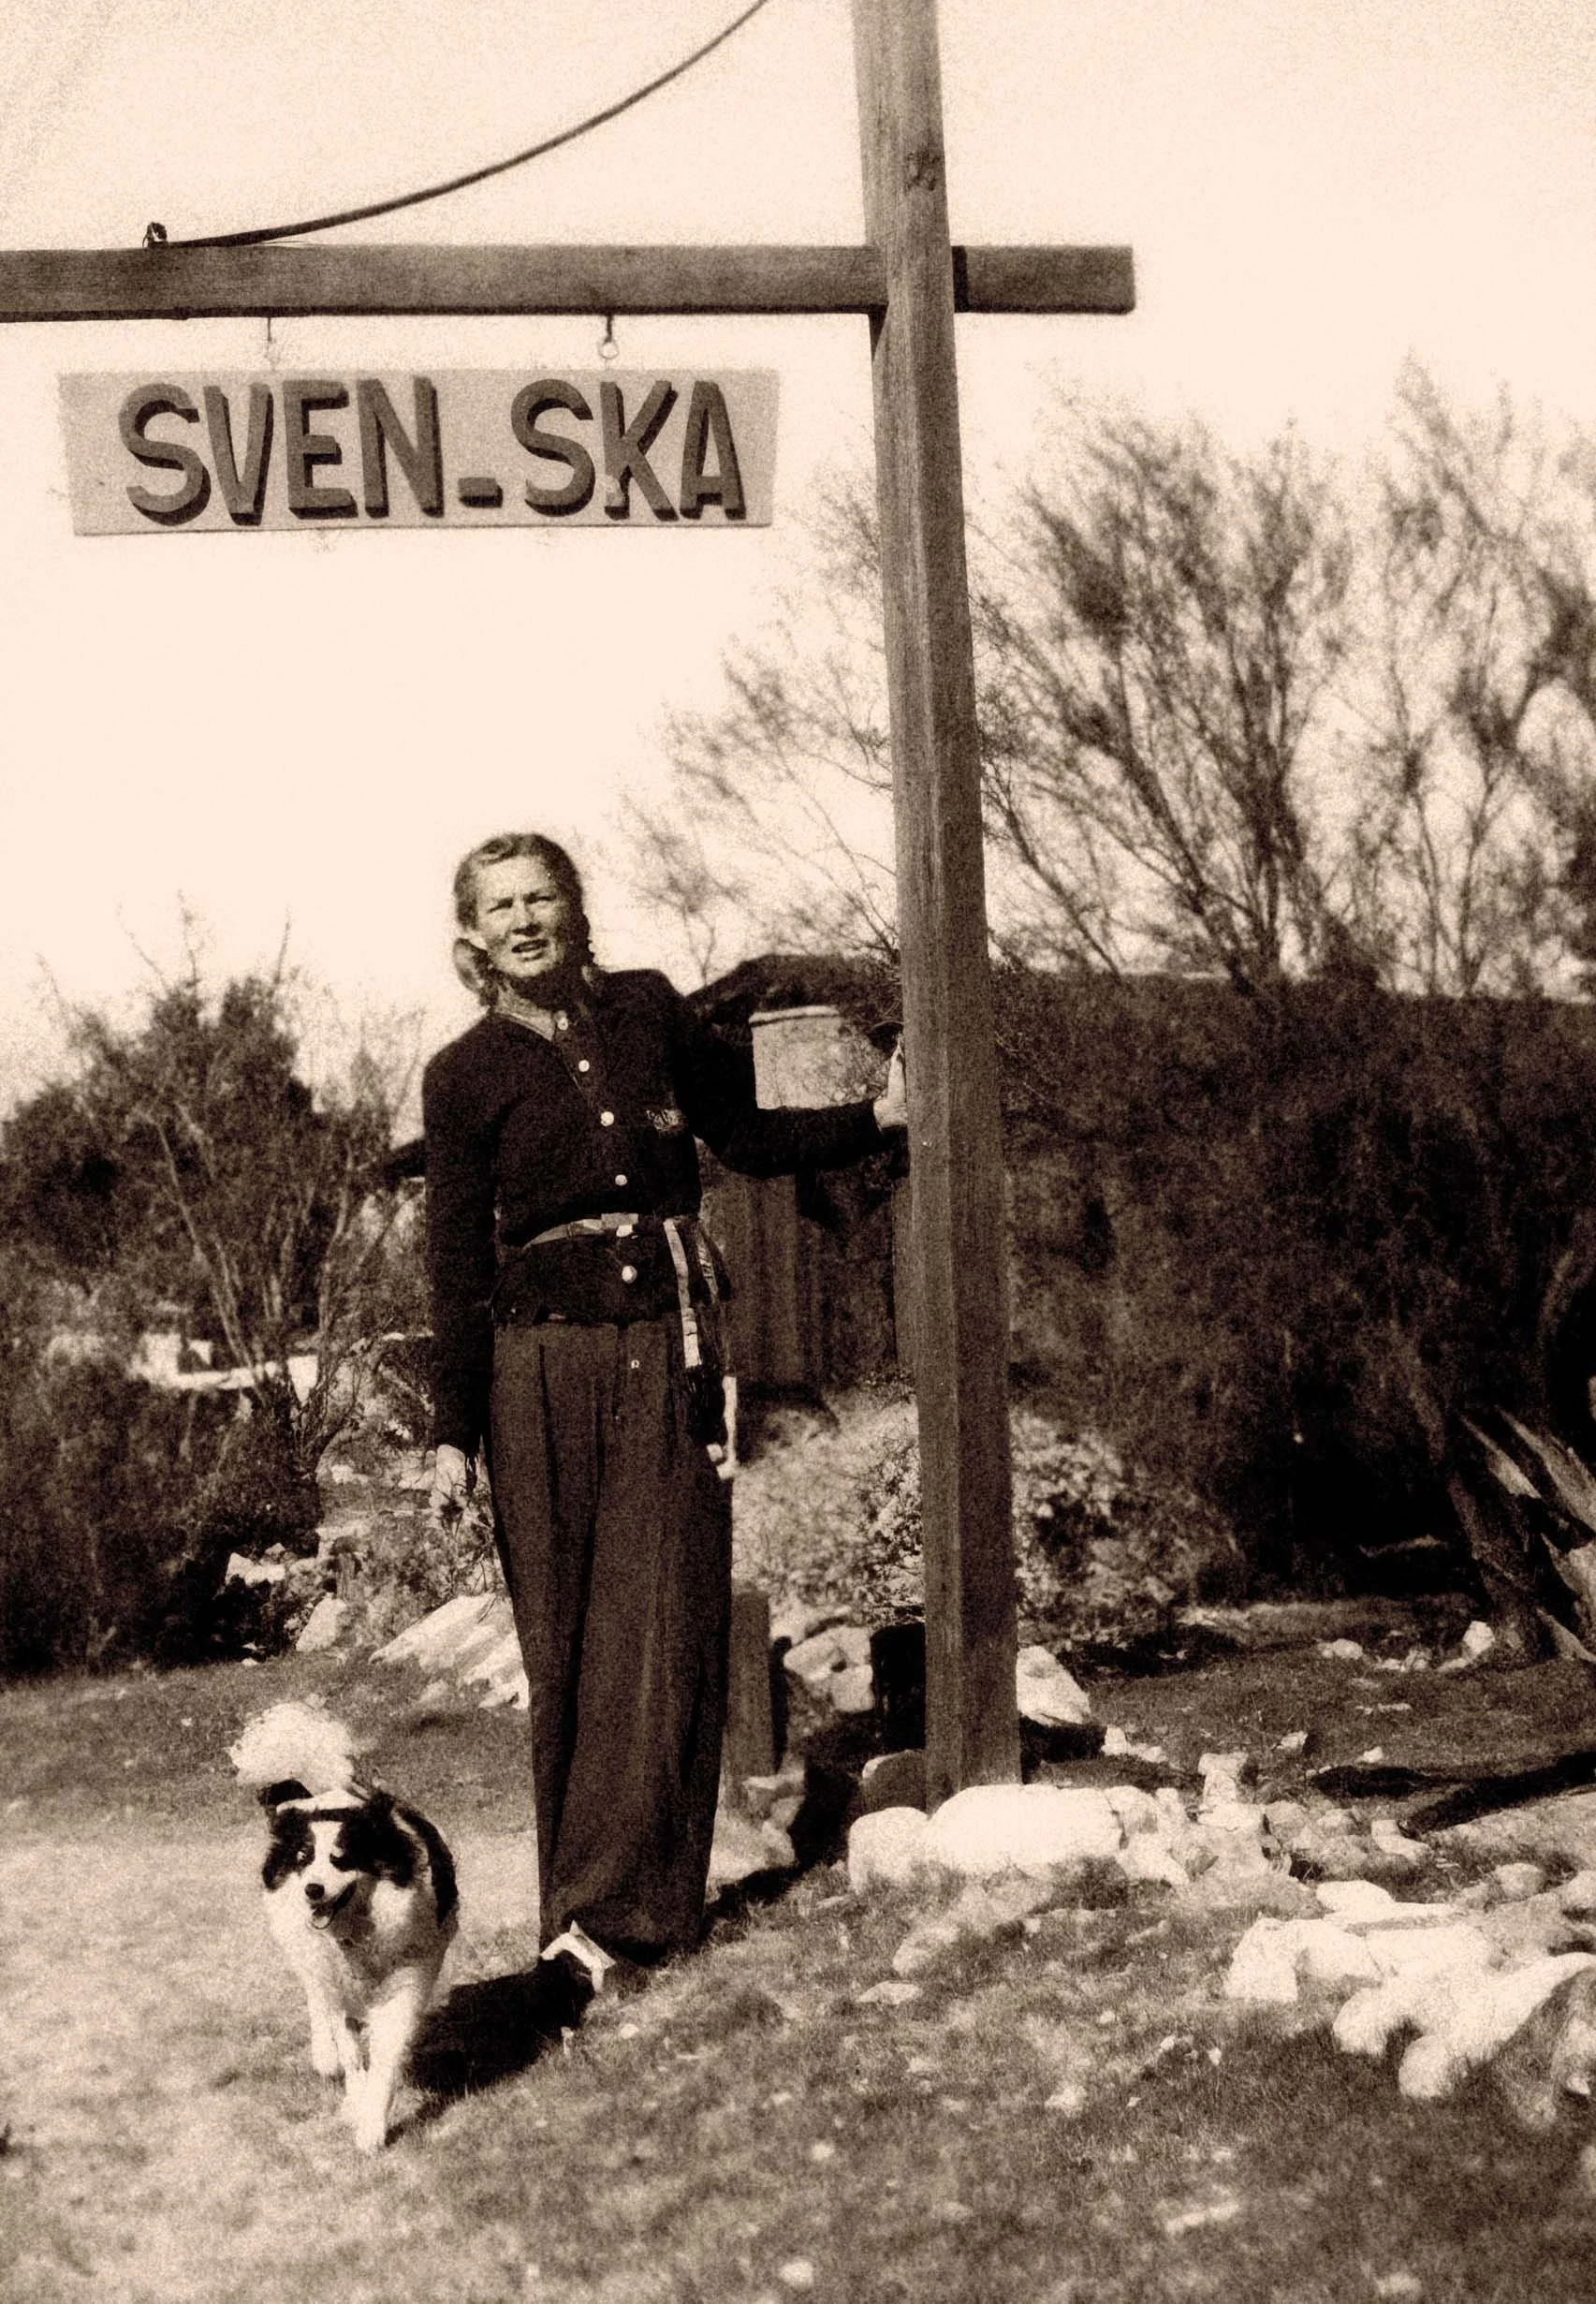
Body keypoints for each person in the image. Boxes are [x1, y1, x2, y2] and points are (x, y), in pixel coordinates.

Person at [423, 830, 906, 2005]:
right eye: (503, 906)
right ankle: (578, 1917)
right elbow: (452, 1261)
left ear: (577, 910)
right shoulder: (462, 1072)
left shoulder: (646, 1012)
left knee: (669, 1608)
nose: (527, 918)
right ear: (473, 938)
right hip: (534, 1372)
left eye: (545, 895)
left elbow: (741, 1133)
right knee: (571, 1639)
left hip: (665, 1351)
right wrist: (453, 1429)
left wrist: (875, 1119)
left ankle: (644, 1915)